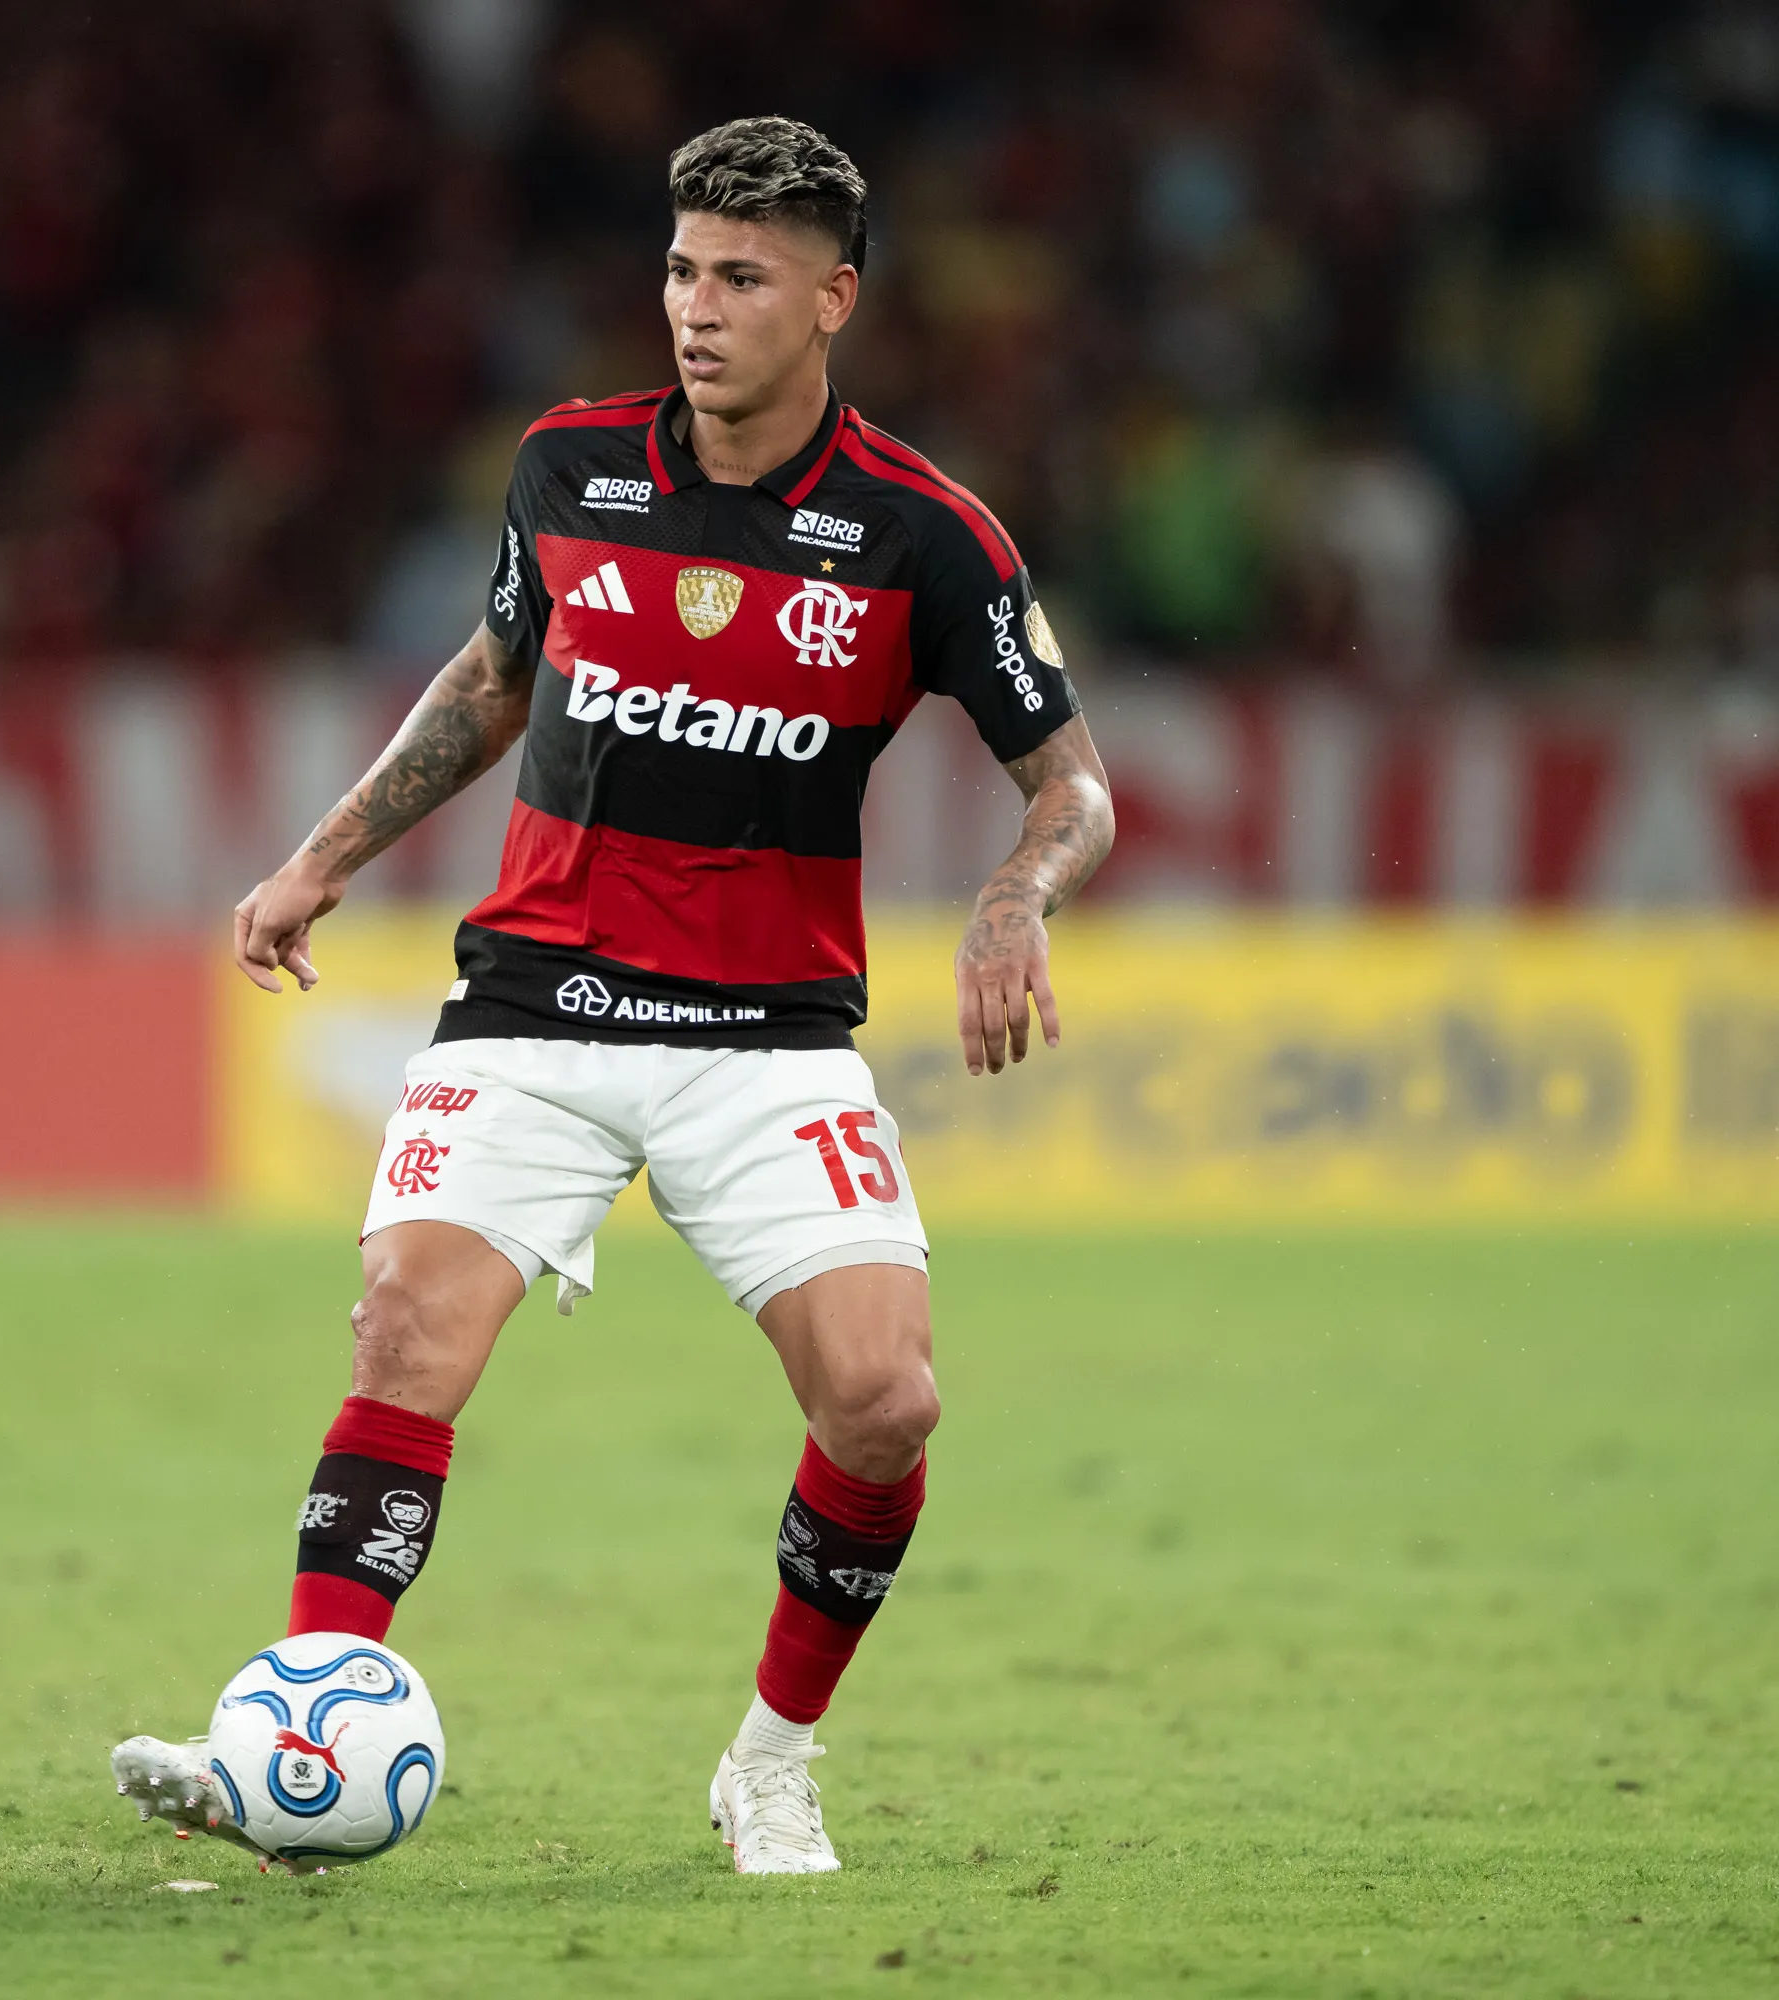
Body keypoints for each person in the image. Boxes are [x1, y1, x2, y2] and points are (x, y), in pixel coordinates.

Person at [111, 114, 1118, 1875]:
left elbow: (1077, 784)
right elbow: (497, 677)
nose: (697, 308)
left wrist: (1015, 897)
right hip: (536, 1011)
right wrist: (326, 852)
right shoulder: (567, 467)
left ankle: (771, 1761)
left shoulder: (923, 534)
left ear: (834, 300)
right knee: (402, 1331)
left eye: (743, 278)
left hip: (768, 1037)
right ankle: (295, 1742)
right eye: (680, 270)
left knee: (886, 1402)